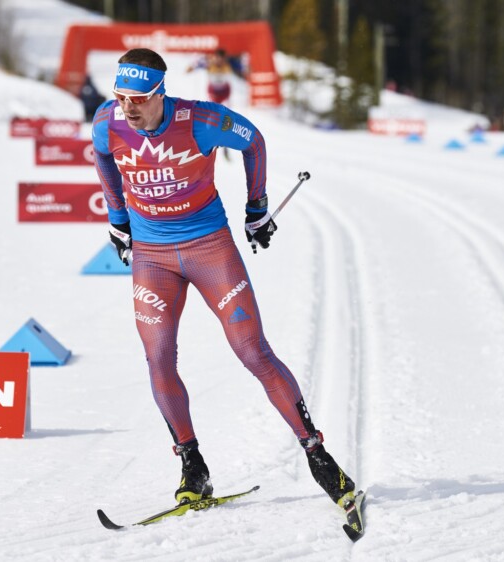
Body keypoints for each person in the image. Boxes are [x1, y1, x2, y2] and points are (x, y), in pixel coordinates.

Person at [91, 48, 361, 521]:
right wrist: (117, 218)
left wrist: (257, 209)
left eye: (139, 98)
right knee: (158, 357)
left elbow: (253, 141)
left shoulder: (200, 120)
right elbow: (101, 156)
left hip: (209, 248)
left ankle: (318, 456)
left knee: (252, 351)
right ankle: (192, 466)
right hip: (152, 257)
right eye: (121, 96)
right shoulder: (106, 122)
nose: (128, 107)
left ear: (160, 93)